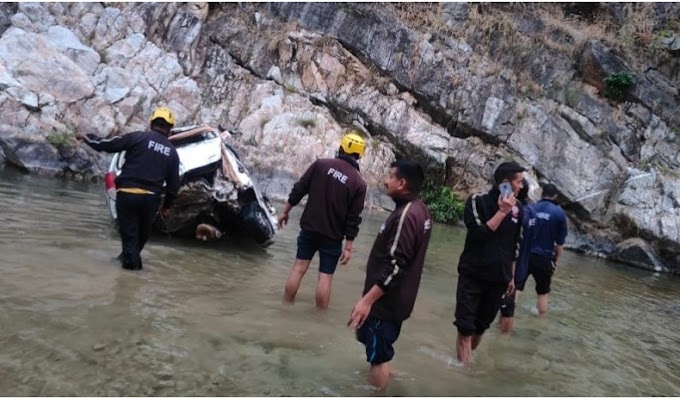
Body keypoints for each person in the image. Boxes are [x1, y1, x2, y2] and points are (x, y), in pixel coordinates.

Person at [348, 160, 432, 391]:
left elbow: (396, 267)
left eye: (390, 176)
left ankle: (379, 389)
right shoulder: (420, 209)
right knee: (380, 350)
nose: (386, 181)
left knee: (378, 357)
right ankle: (394, 384)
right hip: (396, 301)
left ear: (402, 183)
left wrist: (366, 301)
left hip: (385, 304)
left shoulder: (407, 214)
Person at [77, 107, 180, 271]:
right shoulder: (172, 153)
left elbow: (108, 145)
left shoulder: (137, 137)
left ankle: (128, 274)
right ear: (170, 128)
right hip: (150, 201)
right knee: (139, 240)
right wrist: (167, 205)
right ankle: (133, 278)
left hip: (127, 196)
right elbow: (174, 185)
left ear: (152, 123)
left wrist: (88, 138)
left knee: (132, 240)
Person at [278, 131, 367, 310]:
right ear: (359, 155)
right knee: (325, 277)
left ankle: (285, 307)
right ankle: (319, 320)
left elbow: (299, 189)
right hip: (332, 236)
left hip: (309, 228)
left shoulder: (321, 164)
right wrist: (348, 247)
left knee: (299, 268)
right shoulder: (359, 183)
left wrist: (285, 212)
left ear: (341, 148)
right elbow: (353, 218)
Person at [453, 161, 525, 365]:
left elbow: (515, 245)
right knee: (465, 328)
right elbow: (477, 234)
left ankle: (463, 362)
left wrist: (512, 276)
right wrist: (502, 212)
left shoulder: (518, 209)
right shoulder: (477, 201)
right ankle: (463, 378)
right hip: (473, 275)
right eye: (518, 182)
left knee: (480, 327)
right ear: (505, 183)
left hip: (499, 279)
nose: (521, 186)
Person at [522, 183, 568, 315]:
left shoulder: (531, 208)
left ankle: (507, 313)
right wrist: (556, 260)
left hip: (527, 255)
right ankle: (540, 323)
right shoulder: (559, 213)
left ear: (542, 194)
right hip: (545, 257)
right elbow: (560, 243)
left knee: (517, 287)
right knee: (542, 292)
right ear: (556, 196)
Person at [499, 179, 535, 333]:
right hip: (523, 264)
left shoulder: (517, 212)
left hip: (511, 266)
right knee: (508, 304)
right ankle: (501, 332)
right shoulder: (532, 212)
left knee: (507, 306)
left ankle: (502, 338)